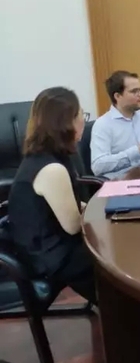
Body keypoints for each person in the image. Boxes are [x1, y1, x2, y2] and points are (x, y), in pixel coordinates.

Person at [7, 87, 96, 303]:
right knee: (110, 261)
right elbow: (73, 225)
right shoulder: (51, 169)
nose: (83, 122)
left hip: (50, 242)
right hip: (48, 255)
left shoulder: (48, 155)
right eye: (80, 116)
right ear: (65, 123)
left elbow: (71, 205)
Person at [91, 70, 140, 178]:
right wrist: (137, 150)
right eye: (134, 91)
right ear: (118, 96)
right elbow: (98, 166)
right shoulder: (103, 124)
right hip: (122, 181)